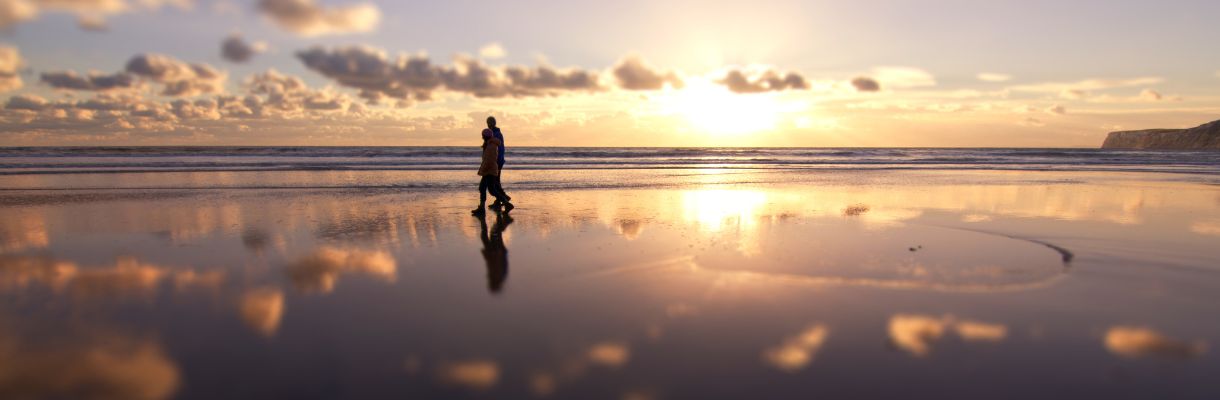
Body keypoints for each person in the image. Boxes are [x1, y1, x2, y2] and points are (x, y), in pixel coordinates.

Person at [475, 129, 511, 214]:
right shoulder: (490, 144)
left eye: (483, 135)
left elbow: (489, 160)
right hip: (490, 170)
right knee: (489, 189)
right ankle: (506, 204)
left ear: (485, 136)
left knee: (486, 189)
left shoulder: (491, 146)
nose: (482, 137)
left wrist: (483, 170)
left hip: (489, 170)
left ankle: (482, 208)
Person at [477, 209, 512, 294]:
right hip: (496, 252)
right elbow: (498, 262)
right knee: (493, 233)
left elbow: (493, 264)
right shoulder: (499, 275)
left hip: (495, 252)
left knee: (491, 233)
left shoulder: (497, 275)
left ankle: (505, 220)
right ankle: (504, 220)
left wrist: (489, 255)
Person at [485, 116, 512, 209]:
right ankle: (499, 200)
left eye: (489, 122)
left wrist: (496, 161)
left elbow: (499, 150)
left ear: (492, 123)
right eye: (487, 122)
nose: (488, 124)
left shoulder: (496, 134)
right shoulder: (495, 133)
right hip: (498, 161)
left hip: (497, 161)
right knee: (496, 181)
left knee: (495, 182)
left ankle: (504, 197)